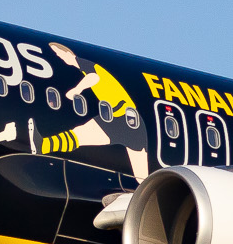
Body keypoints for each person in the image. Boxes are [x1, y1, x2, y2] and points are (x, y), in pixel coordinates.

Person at [39, 42, 150, 179]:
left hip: (126, 120)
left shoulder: (83, 63)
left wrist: (76, 90)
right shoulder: (82, 66)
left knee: (141, 180)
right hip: (116, 117)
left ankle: (43, 145)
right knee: (80, 134)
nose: (59, 57)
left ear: (68, 53)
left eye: (59, 53)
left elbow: (94, 77)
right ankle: (43, 145)